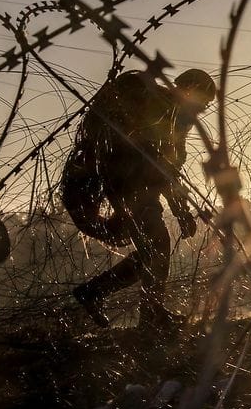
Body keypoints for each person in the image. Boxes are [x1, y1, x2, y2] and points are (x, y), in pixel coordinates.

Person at [68, 68, 215, 331]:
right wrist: (179, 209)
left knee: (152, 250)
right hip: (130, 186)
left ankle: (98, 293)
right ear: (190, 90)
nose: (203, 108)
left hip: (138, 187)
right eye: (203, 101)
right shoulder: (160, 105)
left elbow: (169, 169)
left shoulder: (177, 115)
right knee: (157, 246)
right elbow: (161, 164)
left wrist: (180, 208)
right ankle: (148, 315)